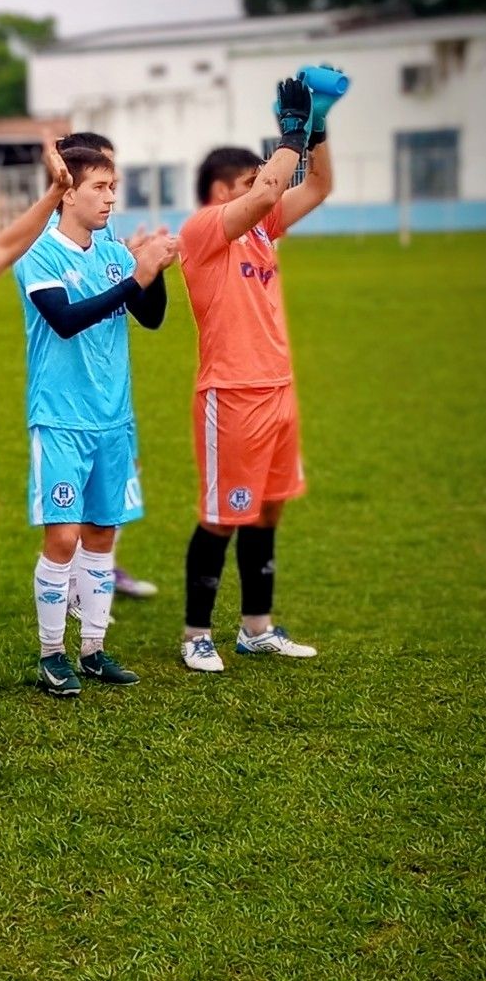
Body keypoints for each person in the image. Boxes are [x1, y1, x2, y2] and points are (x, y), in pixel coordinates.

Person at [177, 76, 336, 671]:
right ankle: (196, 634)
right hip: (232, 394)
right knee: (221, 516)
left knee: (269, 510)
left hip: (278, 390)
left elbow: (318, 184)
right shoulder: (202, 231)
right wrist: (287, 135)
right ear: (221, 190)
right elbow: (269, 194)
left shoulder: (264, 233)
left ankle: (256, 628)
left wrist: (317, 130)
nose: (262, 188)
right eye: (248, 180)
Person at [14, 149, 177, 696]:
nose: (111, 196)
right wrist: (138, 276)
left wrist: (153, 273)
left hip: (114, 420)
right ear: (67, 193)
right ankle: (51, 653)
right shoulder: (40, 255)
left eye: (114, 186)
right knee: (62, 537)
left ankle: (94, 648)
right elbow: (65, 320)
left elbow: (150, 317)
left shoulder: (111, 251)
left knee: (103, 534)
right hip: (60, 420)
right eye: (101, 186)